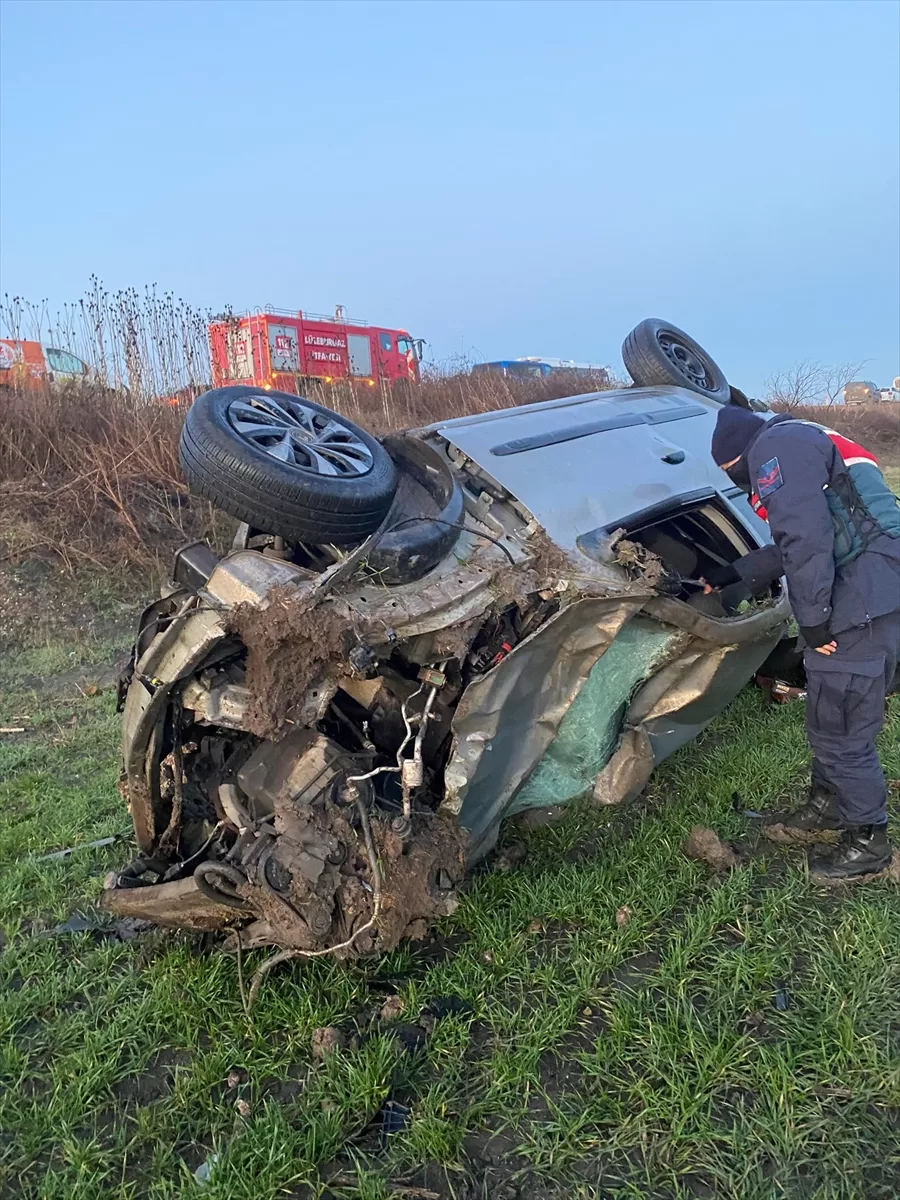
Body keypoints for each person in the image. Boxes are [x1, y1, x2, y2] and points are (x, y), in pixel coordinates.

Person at [707, 403, 900, 880]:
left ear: (738, 457)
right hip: (882, 590)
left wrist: (814, 621)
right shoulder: (802, 437)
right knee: (831, 716)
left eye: (731, 471)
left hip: (859, 603)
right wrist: (732, 574)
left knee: (841, 729)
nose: (740, 482)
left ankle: (868, 842)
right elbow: (809, 535)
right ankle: (828, 805)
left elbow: (806, 537)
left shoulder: (776, 448)